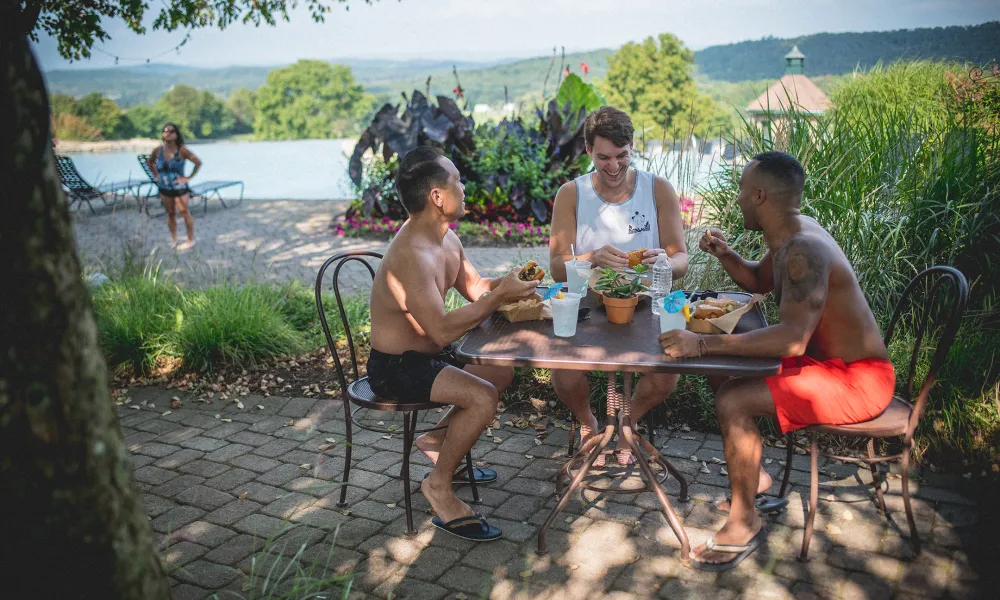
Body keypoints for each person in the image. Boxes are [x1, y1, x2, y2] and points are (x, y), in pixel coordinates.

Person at [659, 151, 895, 571]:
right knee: (725, 375)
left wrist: (700, 343)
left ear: (760, 195)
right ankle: (757, 479)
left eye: (741, 191)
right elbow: (759, 280)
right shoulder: (791, 234)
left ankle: (744, 521)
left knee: (733, 399)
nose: (737, 200)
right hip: (828, 368)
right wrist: (726, 254)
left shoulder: (803, 248)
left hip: (859, 381)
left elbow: (790, 340)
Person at [367, 146, 539, 541]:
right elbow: (443, 330)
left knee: (498, 370)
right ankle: (438, 486)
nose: (464, 187)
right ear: (437, 197)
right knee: (481, 397)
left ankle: (435, 440)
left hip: (429, 357)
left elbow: (476, 289)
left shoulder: (447, 240)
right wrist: (498, 298)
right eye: (457, 181)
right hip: (395, 368)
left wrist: (511, 282)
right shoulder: (411, 255)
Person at [548, 106, 689, 465]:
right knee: (563, 375)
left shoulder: (658, 189)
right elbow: (555, 269)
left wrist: (663, 263)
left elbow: (681, 260)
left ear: (633, 148)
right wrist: (590, 257)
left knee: (666, 374)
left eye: (622, 156)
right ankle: (590, 423)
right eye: (603, 158)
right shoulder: (572, 193)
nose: (613, 166)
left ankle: (628, 425)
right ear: (587, 151)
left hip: (645, 306)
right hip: (590, 307)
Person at [147, 123, 201, 249]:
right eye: (166, 131)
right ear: (162, 134)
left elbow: (197, 162)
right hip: (164, 188)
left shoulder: (182, 150)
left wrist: (188, 177)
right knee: (170, 213)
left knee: (184, 212)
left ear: (176, 134)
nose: (168, 133)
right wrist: (156, 175)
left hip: (180, 188)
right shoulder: (158, 150)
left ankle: (190, 239)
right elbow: (150, 162)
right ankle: (174, 239)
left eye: (172, 131)